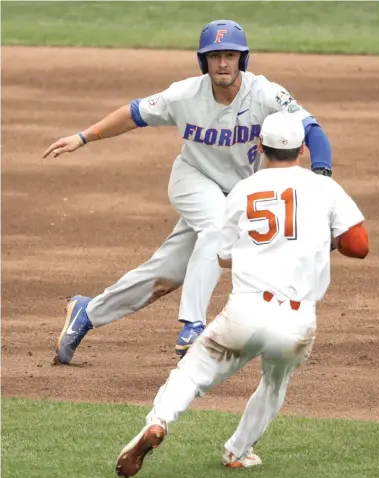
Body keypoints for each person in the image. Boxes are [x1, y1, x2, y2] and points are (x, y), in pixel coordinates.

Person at [43, 20, 332, 364]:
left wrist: (321, 178)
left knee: (166, 274)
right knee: (217, 228)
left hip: (236, 192)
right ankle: (193, 325)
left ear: (242, 59)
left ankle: (87, 312)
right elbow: (134, 113)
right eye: (215, 56)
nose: (223, 63)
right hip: (192, 179)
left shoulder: (265, 94)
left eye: (230, 55)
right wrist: (83, 136)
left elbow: (312, 129)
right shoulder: (184, 95)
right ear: (204, 61)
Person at [114, 112, 369, 478]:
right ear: (302, 151)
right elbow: (358, 245)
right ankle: (237, 450)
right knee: (274, 385)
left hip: (247, 310)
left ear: (260, 147)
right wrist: (322, 242)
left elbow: (222, 255)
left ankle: (158, 424)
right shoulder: (324, 188)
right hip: (297, 322)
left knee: (191, 374)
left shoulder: (244, 190)